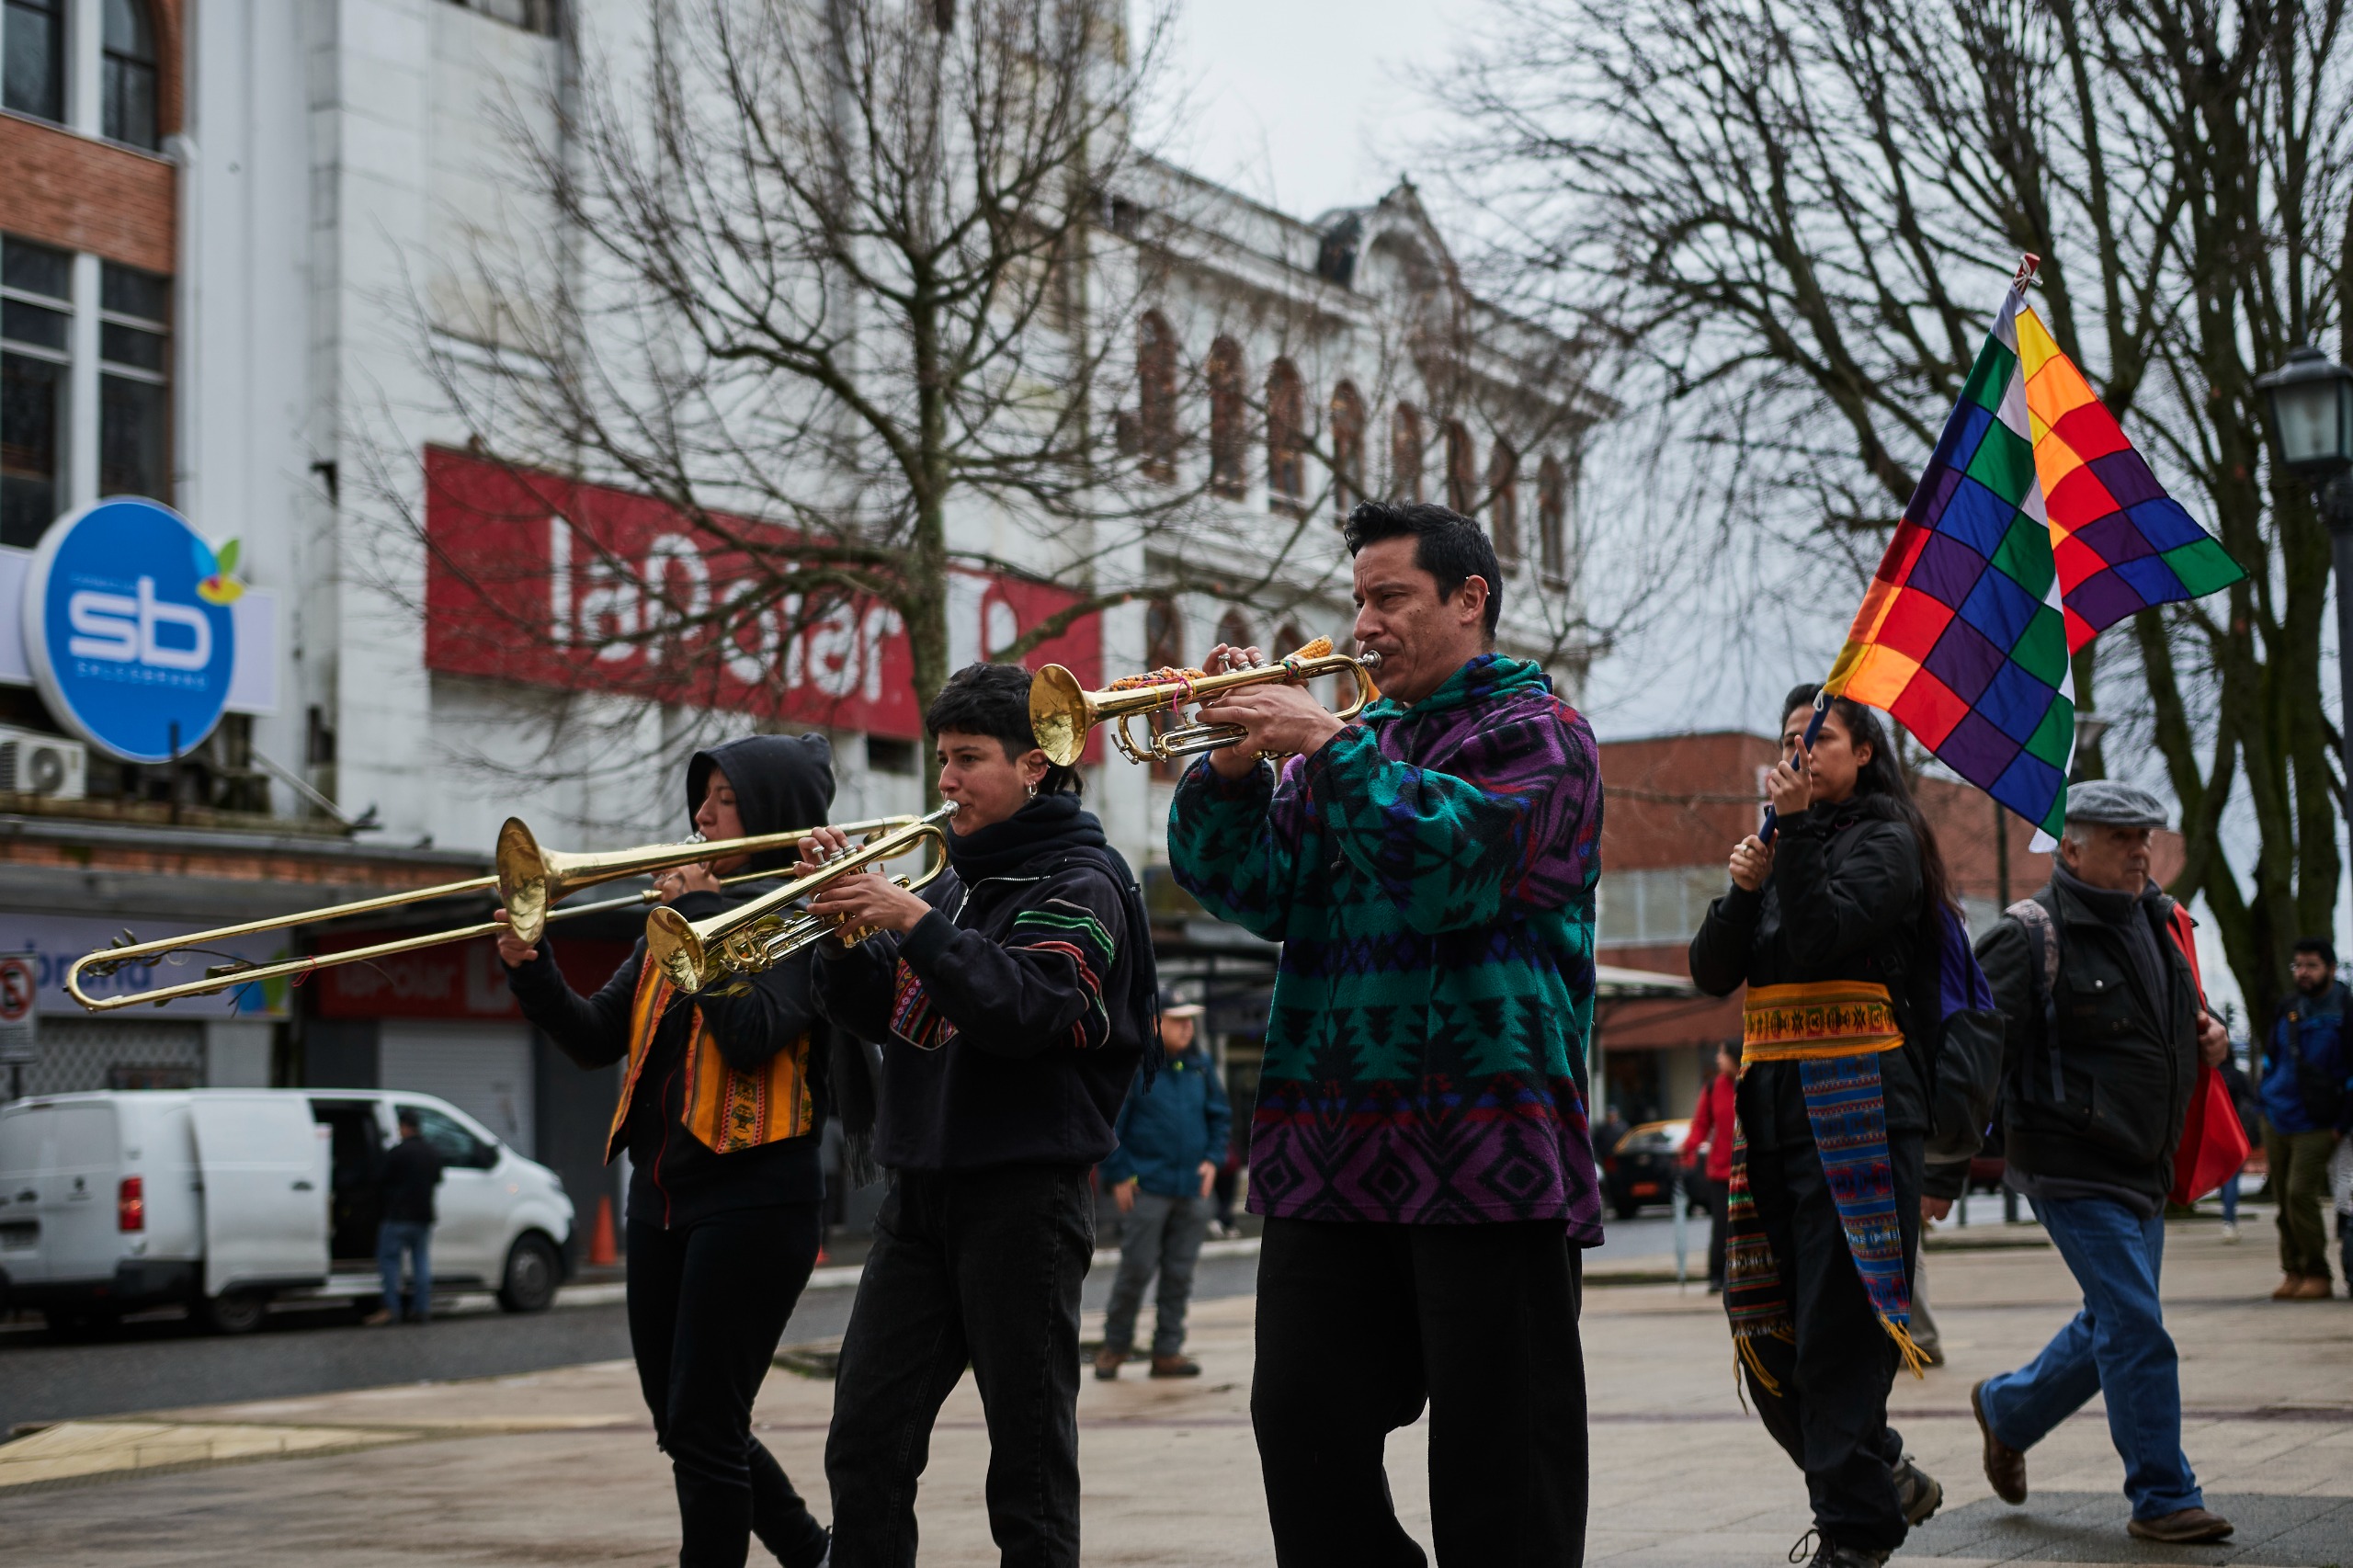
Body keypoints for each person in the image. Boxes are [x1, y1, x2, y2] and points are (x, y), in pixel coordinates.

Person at [1168, 500, 1602, 1568]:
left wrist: (1323, 739)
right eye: (1358, 598)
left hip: (1487, 1151)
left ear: (1469, 600)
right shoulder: (1344, 753)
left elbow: (1449, 868)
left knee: (1500, 1467)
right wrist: (1232, 769)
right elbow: (1248, 885)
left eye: (1390, 597)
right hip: (1327, 1149)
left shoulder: (1543, 735)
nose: (1363, 623)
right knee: (1300, 1429)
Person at [800, 663, 1155, 1568]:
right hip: (919, 1190)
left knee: (1028, 1473)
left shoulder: (1084, 883)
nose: (944, 780)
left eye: (966, 758)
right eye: (939, 758)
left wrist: (912, 921)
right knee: (864, 1444)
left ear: (1037, 764)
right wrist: (847, 939)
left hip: (1022, 1197)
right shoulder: (955, 887)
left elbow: (1025, 1010)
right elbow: (893, 1015)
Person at [497, 735, 838, 1568]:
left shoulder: (808, 915)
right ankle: (814, 1551)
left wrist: (697, 920)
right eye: (704, 796)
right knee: (683, 1422)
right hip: (660, 1200)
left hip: (756, 1198)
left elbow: (754, 1034)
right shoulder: (674, 925)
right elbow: (592, 1036)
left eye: (722, 799)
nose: (700, 816)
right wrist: (532, 969)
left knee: (704, 1423)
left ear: (766, 815)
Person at [1688, 686, 1948, 1568]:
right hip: (1773, 1116)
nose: (1799, 754)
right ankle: (1878, 1472)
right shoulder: (1776, 843)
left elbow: (1818, 936)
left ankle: (1854, 1533)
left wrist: (1794, 837)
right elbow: (1709, 972)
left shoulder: (1889, 839)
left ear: (1865, 752)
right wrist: (1739, 889)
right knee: (1765, 1329)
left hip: (1861, 1108)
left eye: (1819, 739)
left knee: (1838, 1334)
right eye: (1790, 740)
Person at [1971, 780, 2234, 1546]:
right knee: (2135, 1322)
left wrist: (2213, 1037)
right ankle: (2162, 1495)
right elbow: (1975, 1053)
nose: (2141, 852)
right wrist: (1942, 1169)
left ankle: (2007, 1410)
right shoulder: (2027, 934)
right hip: (2070, 1164)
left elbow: (2178, 1020)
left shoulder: (2159, 920)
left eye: (2145, 838)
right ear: (2074, 848)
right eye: (2124, 840)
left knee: (2112, 1323)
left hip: (2141, 1163)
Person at [1095, 988, 1232, 1381]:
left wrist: (1212, 1162)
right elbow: (1112, 1125)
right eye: (1178, 1020)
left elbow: (1220, 1118)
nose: (1187, 1028)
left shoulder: (1201, 1068)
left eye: (1190, 1020)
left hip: (1192, 1190)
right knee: (1135, 1270)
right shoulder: (1137, 1068)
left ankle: (1167, 1351)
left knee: (1180, 1273)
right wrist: (1119, 1175)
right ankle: (1115, 1347)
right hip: (1147, 1189)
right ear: (1155, 1023)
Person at [2259, 937, 2351, 1299]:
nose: (2303, 972)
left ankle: (2317, 1272)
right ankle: (2293, 1270)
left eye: (2312, 965)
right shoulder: (2289, 1006)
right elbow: (2271, 1057)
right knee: (2284, 1199)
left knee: (2300, 1194)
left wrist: (2341, 1124)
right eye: (2298, 965)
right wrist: (2265, 1100)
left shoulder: (2345, 1008)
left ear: (2330, 968)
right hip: (2278, 1114)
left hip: (2319, 1122)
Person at [368, 1108, 442, 1325]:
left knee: (390, 1262)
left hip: (398, 1217)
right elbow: (438, 1178)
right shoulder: (431, 1152)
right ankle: (422, 1309)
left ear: (405, 1127)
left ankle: (392, 1309)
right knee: (421, 1263)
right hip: (423, 1217)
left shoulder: (398, 1153)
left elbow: (379, 1178)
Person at [1680, 1043, 1738, 1293]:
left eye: (1722, 1053)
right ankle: (1717, 1275)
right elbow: (1701, 1124)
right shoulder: (1714, 1087)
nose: (1718, 1058)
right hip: (1720, 1172)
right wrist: (1687, 1149)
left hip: (1750, 1169)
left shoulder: (1753, 1079)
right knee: (1721, 1226)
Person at [2216, 1043, 2260, 1243]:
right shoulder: (2238, 1077)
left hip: (2216, 1134)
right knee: (2232, 1177)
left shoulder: (2212, 1075)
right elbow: (2253, 1103)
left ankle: (2227, 1211)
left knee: (2224, 1178)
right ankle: (2229, 1220)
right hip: (2236, 1133)